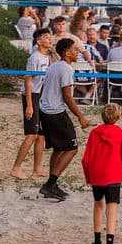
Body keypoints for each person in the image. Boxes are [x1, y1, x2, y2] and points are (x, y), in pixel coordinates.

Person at [38, 38, 92, 200]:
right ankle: (50, 184)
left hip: (45, 109)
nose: (77, 53)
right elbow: (67, 96)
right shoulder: (66, 69)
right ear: (67, 53)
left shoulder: (54, 66)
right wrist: (81, 117)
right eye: (75, 50)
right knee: (72, 148)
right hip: (55, 111)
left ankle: (51, 185)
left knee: (58, 148)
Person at [81, 104, 122, 244]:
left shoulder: (94, 133)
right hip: (113, 176)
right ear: (118, 117)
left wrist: (88, 177)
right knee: (111, 210)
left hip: (97, 175)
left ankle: (97, 241)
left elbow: (85, 160)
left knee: (98, 205)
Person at [11, 29, 53, 180]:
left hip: (40, 96)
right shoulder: (34, 58)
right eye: (46, 38)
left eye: (50, 37)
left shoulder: (46, 57)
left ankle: (36, 169)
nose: (49, 40)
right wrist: (30, 105)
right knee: (32, 134)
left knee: (41, 135)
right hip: (32, 96)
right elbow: (28, 82)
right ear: (39, 41)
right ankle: (16, 168)